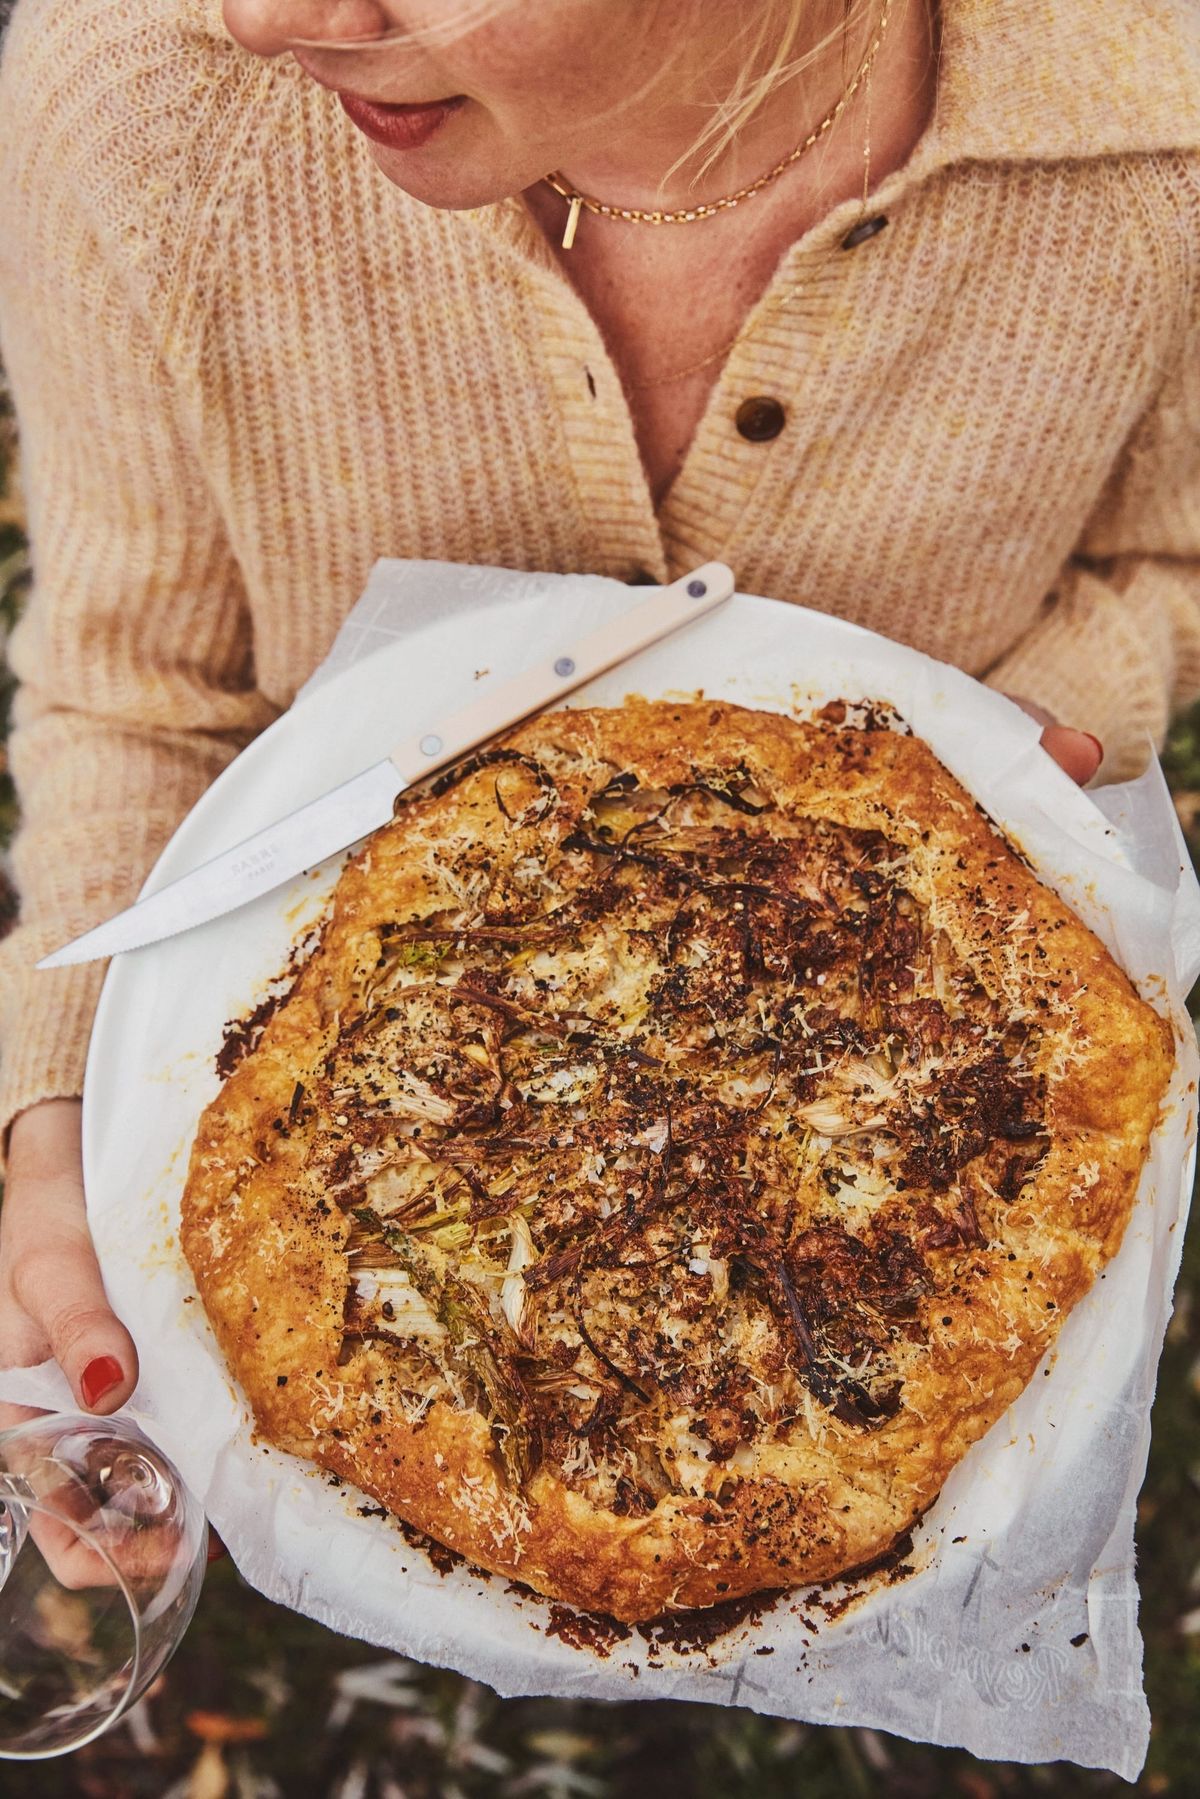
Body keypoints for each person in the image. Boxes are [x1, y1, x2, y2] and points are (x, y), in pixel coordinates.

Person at [0, 0, 1197, 1419]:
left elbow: (1170, 560)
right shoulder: (136, 93)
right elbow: (143, 688)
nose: (268, 19)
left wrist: (1033, 727)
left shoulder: (1157, 120)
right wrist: (68, 1096)